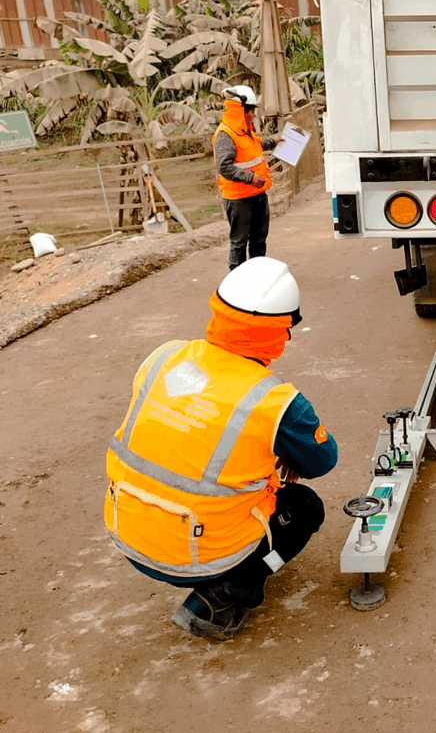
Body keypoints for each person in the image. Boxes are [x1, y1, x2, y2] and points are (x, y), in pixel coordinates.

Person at [104, 257, 338, 640]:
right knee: (305, 508)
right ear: (280, 332)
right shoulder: (274, 401)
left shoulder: (165, 356)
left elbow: (182, 434)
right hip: (196, 556)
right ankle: (224, 595)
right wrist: (285, 452)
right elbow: (323, 460)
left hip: (126, 529)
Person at [214, 85, 281, 270]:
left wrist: (274, 140)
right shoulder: (225, 135)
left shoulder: (245, 131)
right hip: (239, 199)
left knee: (259, 239)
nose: (253, 114)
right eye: (251, 110)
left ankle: (256, 276)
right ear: (240, 110)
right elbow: (224, 167)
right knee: (239, 242)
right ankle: (236, 282)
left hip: (258, 193)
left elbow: (257, 146)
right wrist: (250, 179)